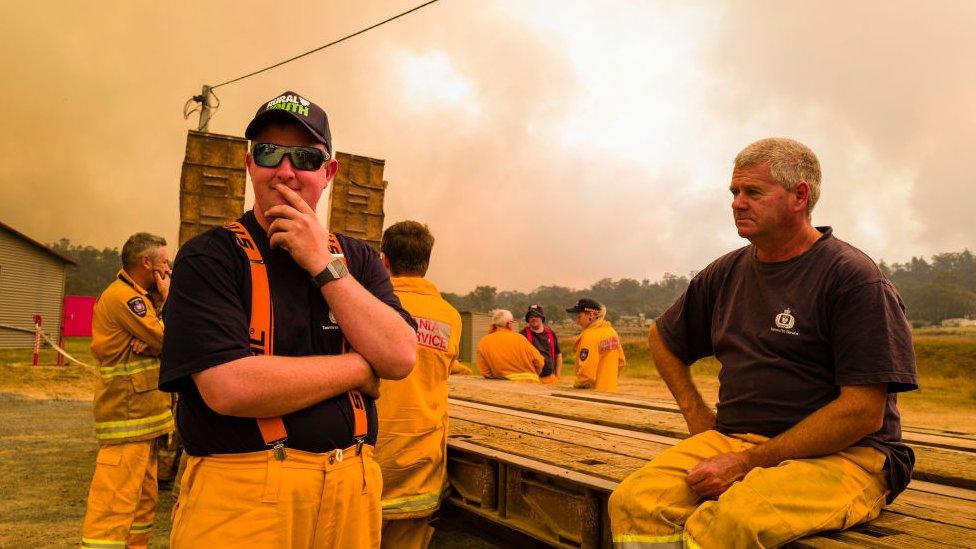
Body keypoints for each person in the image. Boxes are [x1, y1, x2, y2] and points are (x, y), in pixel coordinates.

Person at [608, 138, 918, 547]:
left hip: (848, 455)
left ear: (799, 196)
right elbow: (663, 338)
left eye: (752, 192)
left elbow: (862, 412)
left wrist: (748, 463)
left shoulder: (852, 278)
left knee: (733, 521)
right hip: (736, 440)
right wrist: (698, 420)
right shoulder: (725, 273)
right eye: (734, 193)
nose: (737, 203)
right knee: (635, 502)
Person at [159, 90, 417, 548]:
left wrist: (323, 264)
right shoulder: (210, 258)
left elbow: (398, 356)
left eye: (303, 156)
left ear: (328, 172)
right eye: (268, 152)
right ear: (249, 164)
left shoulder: (357, 259)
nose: (285, 170)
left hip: (351, 487)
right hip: (242, 496)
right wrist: (361, 367)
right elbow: (228, 387)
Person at [81, 232, 174, 549]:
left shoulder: (143, 298)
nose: (167, 270)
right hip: (127, 417)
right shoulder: (125, 299)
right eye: (164, 263)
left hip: (144, 419)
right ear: (146, 263)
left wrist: (156, 341)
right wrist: (169, 301)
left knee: (142, 501)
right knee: (114, 503)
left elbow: (165, 341)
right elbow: (177, 339)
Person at [375, 220, 462, 548]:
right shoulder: (449, 316)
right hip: (419, 464)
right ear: (426, 263)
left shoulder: (365, 305)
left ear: (384, 260)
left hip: (366, 458)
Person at [566, 298, 625, 392]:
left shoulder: (589, 336)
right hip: (611, 390)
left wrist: (578, 386)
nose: (577, 321)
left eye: (579, 316)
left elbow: (587, 372)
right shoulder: (612, 332)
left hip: (593, 394)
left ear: (591, 315)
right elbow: (621, 362)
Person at [475, 309, 544, 382]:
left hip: (504, 385)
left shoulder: (484, 342)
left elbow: (484, 371)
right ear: (509, 324)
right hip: (532, 384)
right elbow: (539, 362)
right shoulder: (520, 338)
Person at [521, 304, 563, 384]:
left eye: (536, 316)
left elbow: (558, 355)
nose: (533, 318)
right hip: (531, 380)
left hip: (550, 378)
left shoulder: (550, 334)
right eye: (531, 317)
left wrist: (557, 376)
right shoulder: (523, 335)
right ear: (528, 319)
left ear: (542, 318)